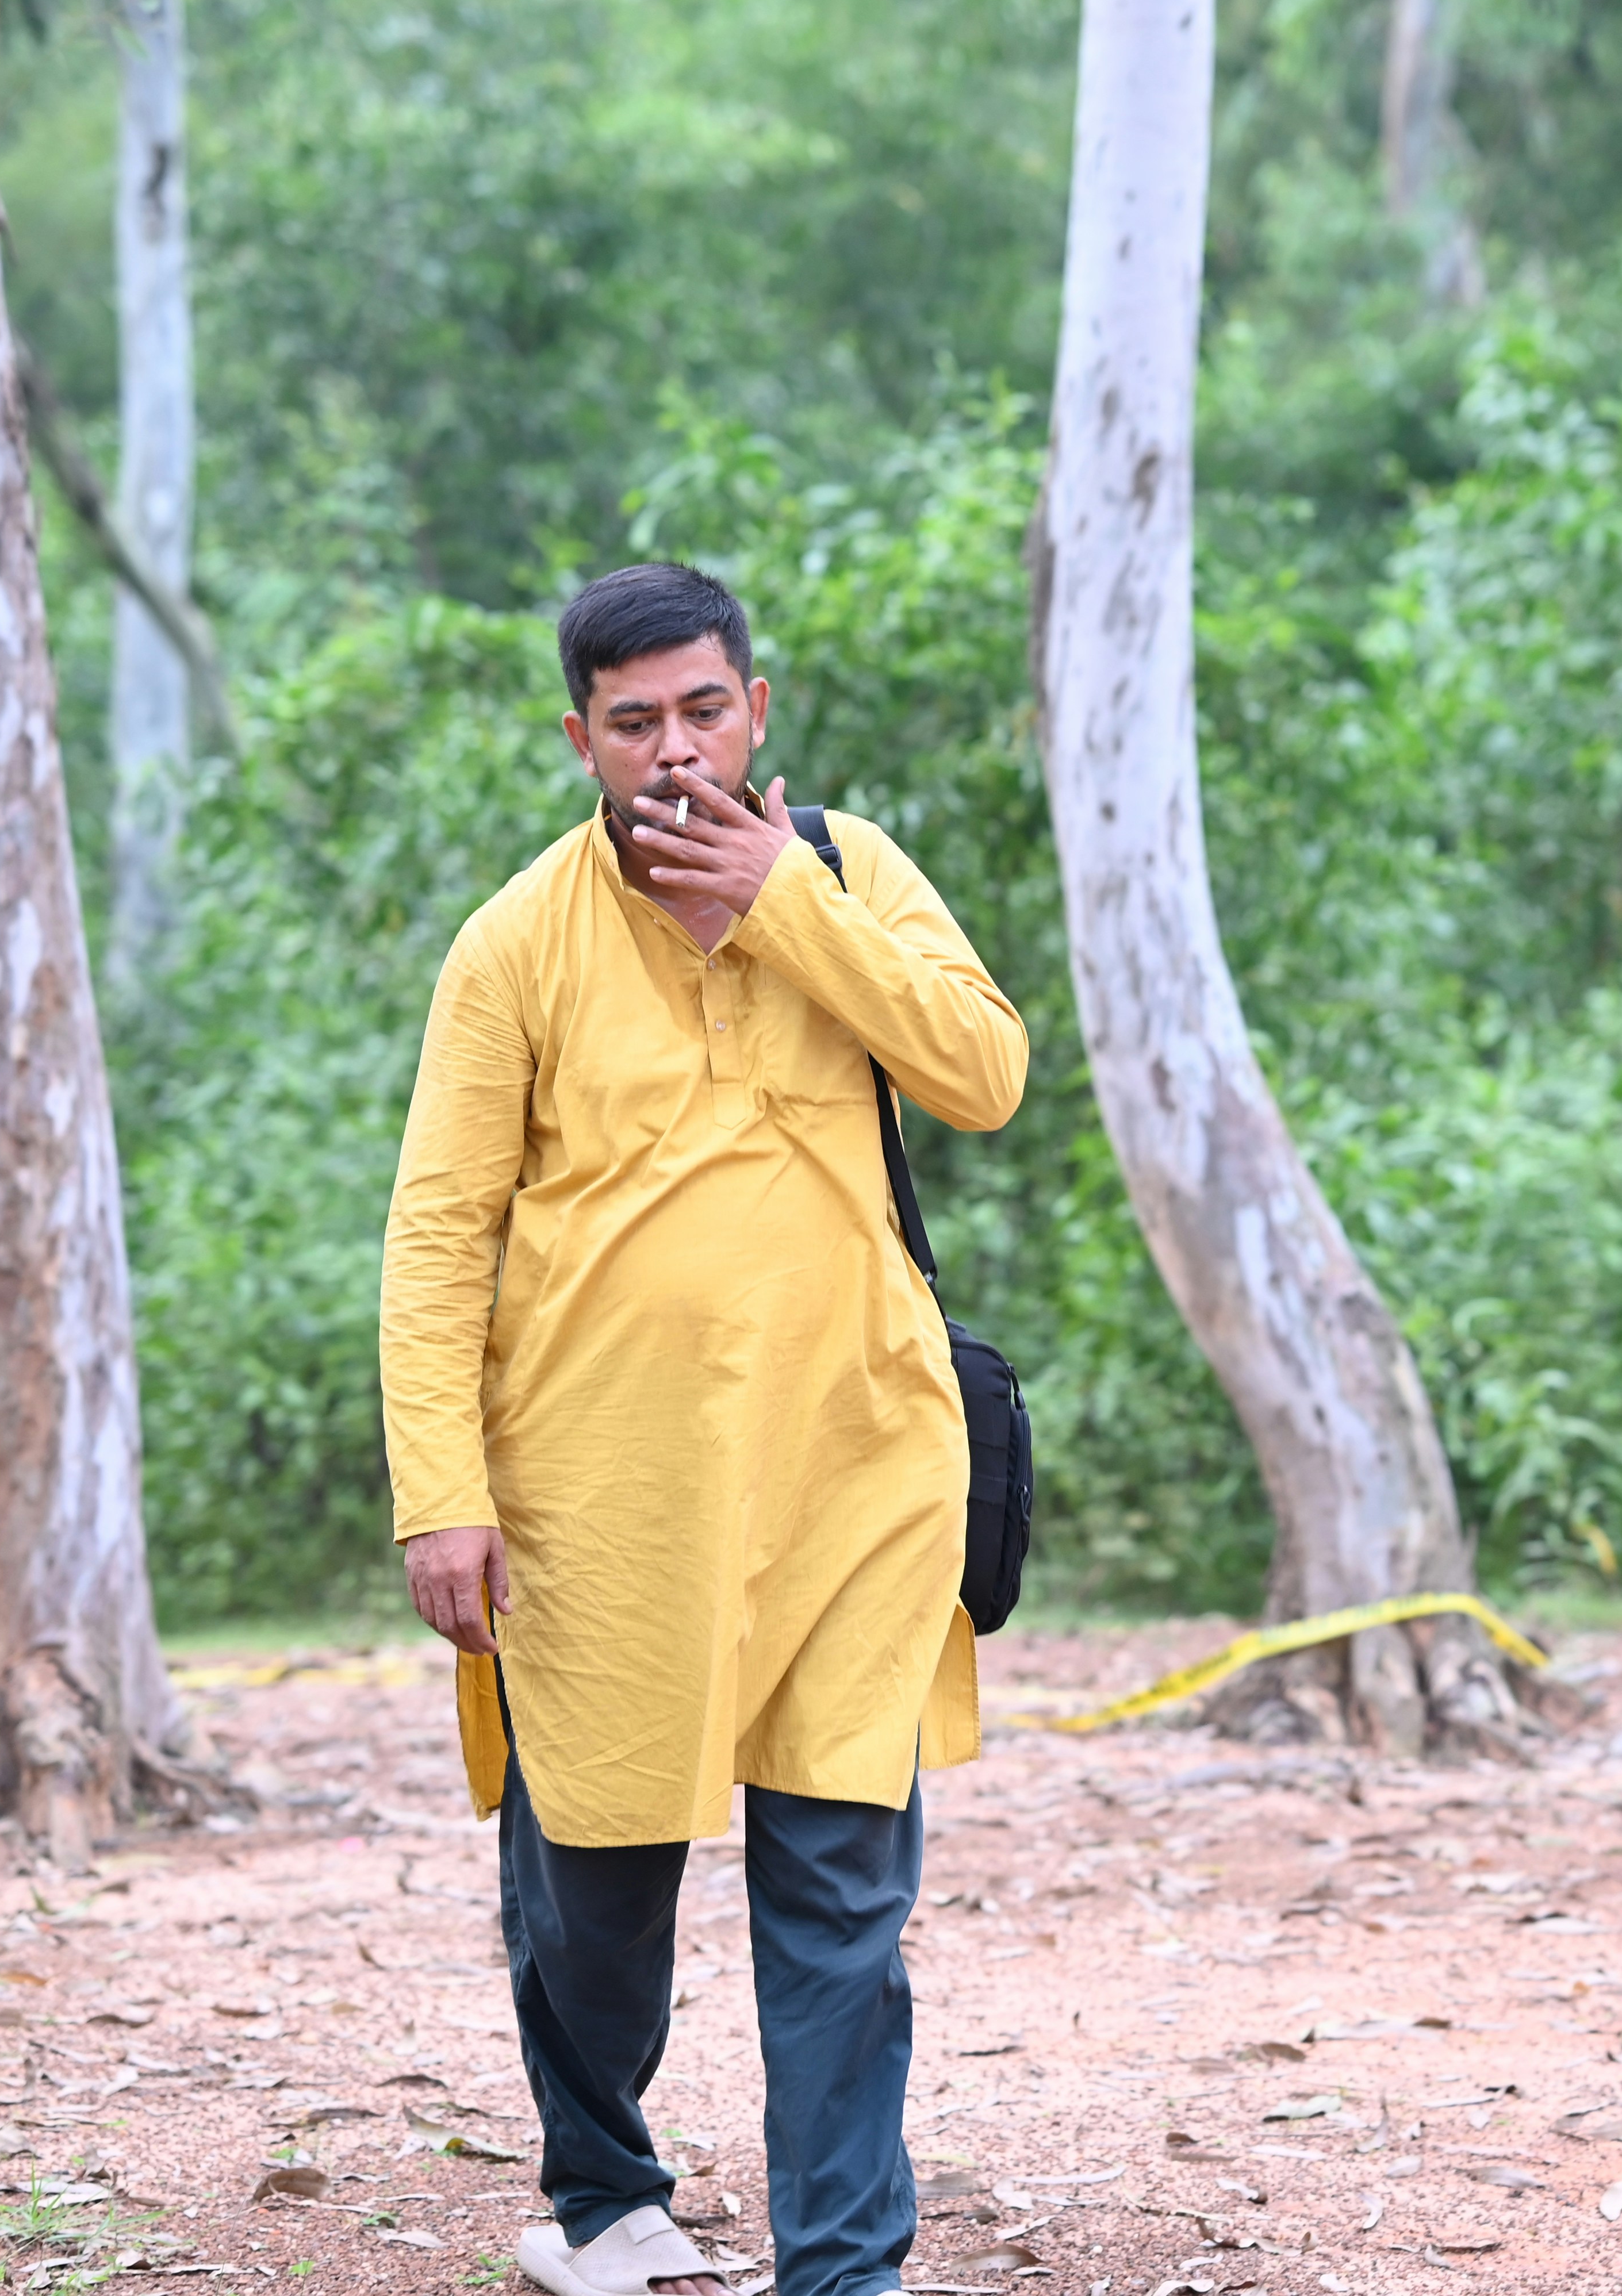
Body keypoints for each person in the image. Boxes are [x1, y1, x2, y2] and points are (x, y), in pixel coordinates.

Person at [380, 563, 1029, 2296]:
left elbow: (985, 1072)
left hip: (857, 1475)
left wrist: (782, 907)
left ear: (760, 710)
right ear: (579, 737)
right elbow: (440, 1234)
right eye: (635, 721)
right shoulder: (516, 940)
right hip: (604, 1500)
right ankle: (600, 2197)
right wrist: (441, 1490)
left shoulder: (853, 871)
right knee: (598, 1892)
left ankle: (843, 2265)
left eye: (704, 710)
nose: (675, 749)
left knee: (839, 1895)